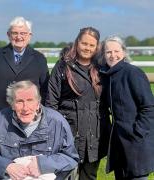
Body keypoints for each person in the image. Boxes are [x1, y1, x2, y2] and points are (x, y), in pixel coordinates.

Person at [45, 27, 111, 180]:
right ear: (77, 42)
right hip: (69, 133)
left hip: (95, 134)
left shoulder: (102, 68)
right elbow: (51, 102)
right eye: (84, 43)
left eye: (91, 45)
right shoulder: (63, 67)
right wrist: (55, 131)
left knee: (89, 176)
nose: (87, 48)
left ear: (97, 47)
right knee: (65, 175)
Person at [0, 80, 79, 179]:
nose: (25, 108)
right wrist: (6, 166)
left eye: (30, 100)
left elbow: (70, 157)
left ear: (38, 103)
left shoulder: (57, 122)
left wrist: (43, 165)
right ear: (12, 104)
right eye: (19, 101)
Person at [100, 35, 154, 180]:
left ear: (123, 52)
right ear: (104, 55)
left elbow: (149, 107)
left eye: (116, 51)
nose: (113, 55)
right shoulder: (107, 76)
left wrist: (138, 133)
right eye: (108, 52)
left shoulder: (133, 73)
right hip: (119, 143)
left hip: (136, 143)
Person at [0, 16, 49, 117]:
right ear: (8, 35)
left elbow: (45, 89)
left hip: (30, 117)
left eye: (23, 33)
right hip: (0, 115)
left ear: (29, 35)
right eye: (15, 33)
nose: (19, 37)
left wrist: (36, 110)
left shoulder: (39, 58)